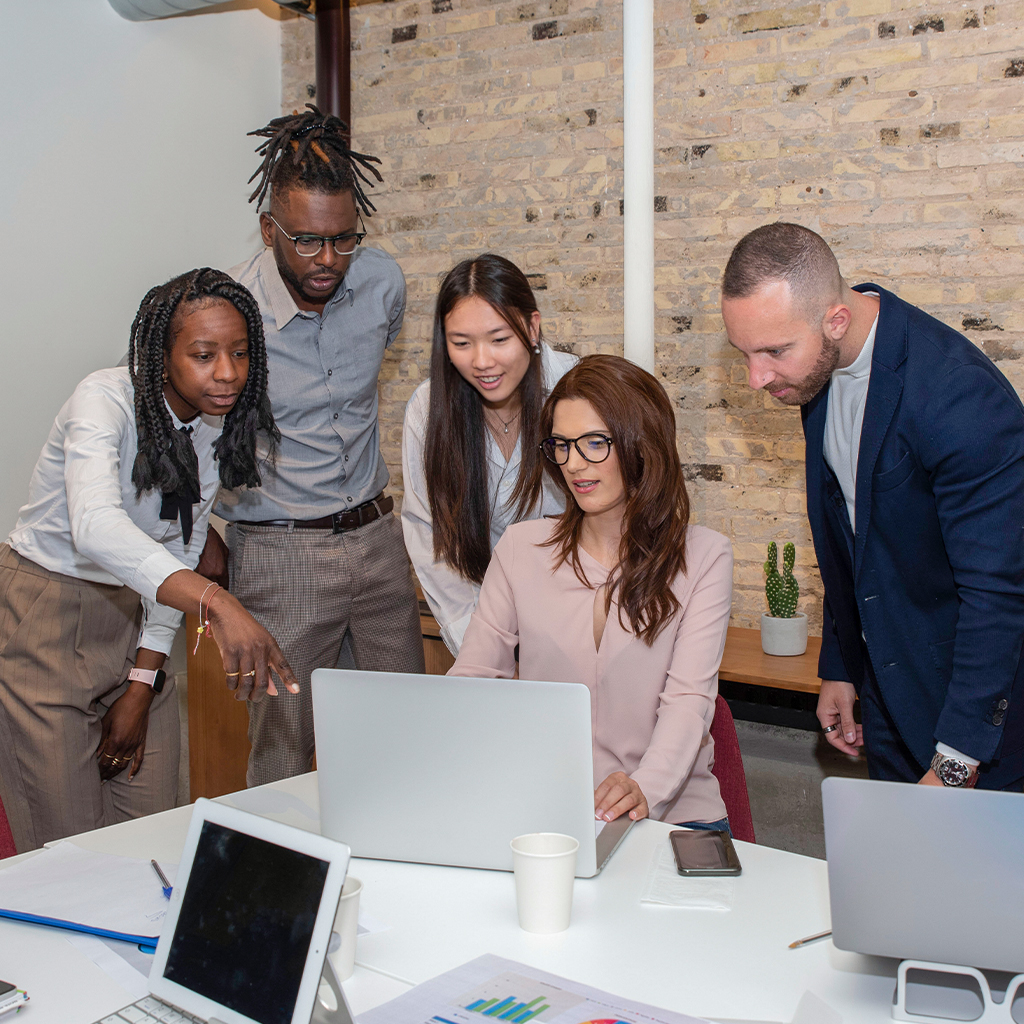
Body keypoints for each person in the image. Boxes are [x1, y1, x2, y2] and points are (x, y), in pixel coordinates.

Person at [0, 268, 298, 852]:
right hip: (46, 614)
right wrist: (215, 600)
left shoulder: (216, 423)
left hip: (139, 617)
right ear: (160, 357)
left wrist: (142, 680)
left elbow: (179, 549)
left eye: (240, 353)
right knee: (67, 847)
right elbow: (95, 527)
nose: (228, 372)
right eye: (204, 354)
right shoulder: (102, 399)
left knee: (154, 833)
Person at [721, 221, 1024, 790]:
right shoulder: (818, 367)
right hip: (887, 700)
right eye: (744, 353)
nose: (757, 378)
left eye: (773, 352)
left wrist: (955, 762)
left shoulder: (961, 397)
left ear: (836, 318)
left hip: (981, 728)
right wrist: (841, 666)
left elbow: (1000, 597)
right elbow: (854, 539)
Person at [209, 105, 425, 788]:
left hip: (377, 540)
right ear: (270, 228)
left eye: (342, 239)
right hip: (279, 554)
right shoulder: (228, 308)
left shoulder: (382, 282)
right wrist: (207, 547)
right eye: (305, 242)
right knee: (282, 756)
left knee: (404, 736)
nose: (327, 260)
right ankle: (280, 895)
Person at [449, 355, 732, 827]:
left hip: (674, 814)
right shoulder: (522, 548)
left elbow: (688, 704)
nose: (574, 464)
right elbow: (475, 678)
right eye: (561, 445)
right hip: (550, 812)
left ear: (643, 444)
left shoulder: (704, 556)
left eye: (595, 443)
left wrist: (644, 789)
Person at [401, 253, 577, 654]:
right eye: (461, 343)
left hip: (580, 622)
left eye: (499, 339)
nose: (482, 362)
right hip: (482, 621)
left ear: (532, 328)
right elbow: (429, 534)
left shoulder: (575, 392)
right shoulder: (429, 410)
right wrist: (479, 642)